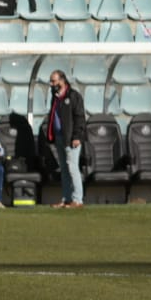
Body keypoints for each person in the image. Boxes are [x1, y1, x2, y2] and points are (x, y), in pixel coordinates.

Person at [45, 70, 86, 210]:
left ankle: (77, 199)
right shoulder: (55, 97)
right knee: (64, 168)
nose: (52, 84)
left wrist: (77, 136)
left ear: (62, 80)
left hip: (70, 138)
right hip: (59, 137)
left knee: (72, 167)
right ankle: (66, 198)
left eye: (54, 81)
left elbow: (80, 118)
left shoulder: (74, 96)